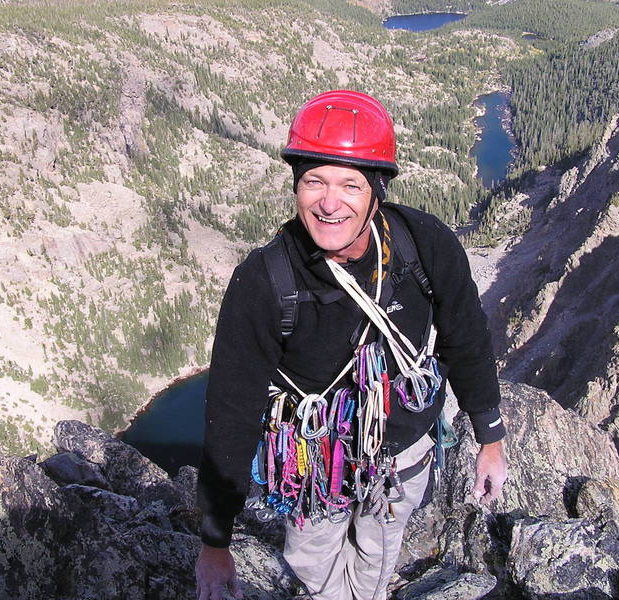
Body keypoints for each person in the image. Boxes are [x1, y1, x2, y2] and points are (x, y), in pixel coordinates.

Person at [195, 90, 507, 600]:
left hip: (401, 460)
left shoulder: (423, 246)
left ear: (377, 192)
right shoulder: (265, 281)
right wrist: (215, 541)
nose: (329, 202)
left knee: (376, 559)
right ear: (296, 186)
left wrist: (489, 439)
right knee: (312, 567)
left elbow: (466, 338)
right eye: (313, 180)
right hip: (317, 466)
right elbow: (231, 410)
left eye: (350, 184)